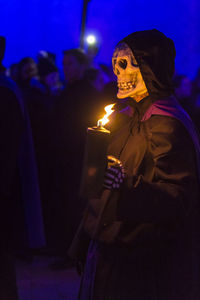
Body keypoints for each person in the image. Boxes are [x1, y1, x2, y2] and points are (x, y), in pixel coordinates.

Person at [69, 29, 200, 300]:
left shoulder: (166, 125)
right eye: (116, 63)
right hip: (109, 250)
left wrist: (126, 184)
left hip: (139, 260)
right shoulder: (127, 118)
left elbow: (177, 198)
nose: (118, 72)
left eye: (126, 64)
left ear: (152, 69)